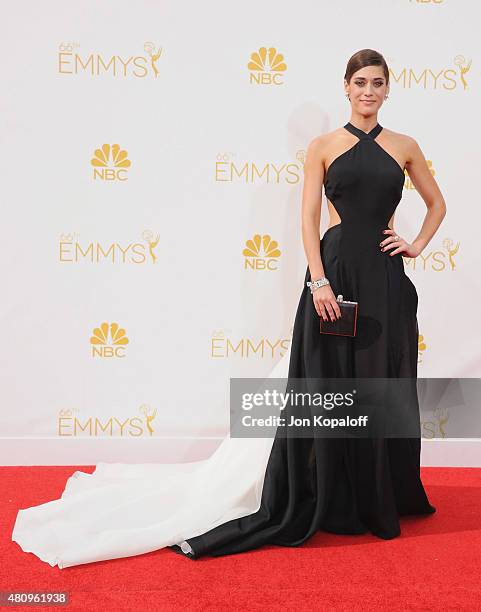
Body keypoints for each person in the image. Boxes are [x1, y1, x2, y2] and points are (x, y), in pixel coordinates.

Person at [11, 49, 445, 568]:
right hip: (335, 275)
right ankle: (335, 495)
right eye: (359, 82)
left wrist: (415, 244)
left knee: (381, 384)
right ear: (345, 88)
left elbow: (438, 203)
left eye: (377, 83)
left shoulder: (405, 146)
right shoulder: (323, 147)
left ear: (388, 89)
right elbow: (308, 220)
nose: (368, 91)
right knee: (328, 387)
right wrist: (319, 282)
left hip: (386, 282)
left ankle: (381, 495)